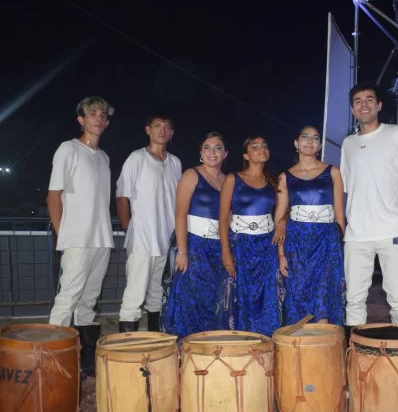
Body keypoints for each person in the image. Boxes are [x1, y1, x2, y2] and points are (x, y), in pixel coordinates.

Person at [340, 82, 398, 339]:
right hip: (357, 234)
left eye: (369, 99)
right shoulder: (348, 144)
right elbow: (347, 186)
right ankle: (355, 353)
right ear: (352, 109)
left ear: (379, 105)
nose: (364, 105)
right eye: (358, 101)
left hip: (393, 230)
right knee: (354, 298)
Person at [47, 96, 115, 379]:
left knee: (89, 302)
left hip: (102, 237)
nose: (98, 118)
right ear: (81, 119)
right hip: (77, 238)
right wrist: (63, 235)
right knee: (68, 298)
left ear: (107, 122)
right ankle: (51, 359)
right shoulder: (68, 149)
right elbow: (54, 196)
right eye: (92, 114)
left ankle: (85, 361)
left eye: (103, 115)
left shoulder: (104, 157)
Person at [274, 126, 346, 326]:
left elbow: (340, 215)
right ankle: (299, 343)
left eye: (315, 138)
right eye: (304, 137)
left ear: (320, 145)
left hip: (326, 242)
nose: (309, 141)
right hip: (297, 243)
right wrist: (281, 254)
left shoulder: (333, 172)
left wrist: (339, 249)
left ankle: (323, 342)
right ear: (296, 143)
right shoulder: (285, 177)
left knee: (324, 295)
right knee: (297, 294)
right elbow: (279, 218)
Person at [115, 115, 181, 333]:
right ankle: (126, 347)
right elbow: (122, 195)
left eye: (167, 127)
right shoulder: (137, 158)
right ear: (148, 130)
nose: (162, 130)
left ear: (172, 133)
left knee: (157, 295)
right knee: (134, 296)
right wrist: (128, 228)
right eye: (157, 126)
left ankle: (155, 342)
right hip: (142, 238)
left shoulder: (175, 162)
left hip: (166, 239)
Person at [160, 133, 229, 338]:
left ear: (225, 153)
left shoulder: (228, 180)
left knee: (212, 298)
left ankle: (206, 347)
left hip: (218, 248)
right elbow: (180, 214)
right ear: (201, 152)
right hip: (194, 244)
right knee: (189, 298)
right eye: (207, 147)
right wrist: (182, 251)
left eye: (218, 147)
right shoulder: (192, 175)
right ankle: (184, 347)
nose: (212, 152)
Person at [219, 136, 283, 334]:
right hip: (240, 243)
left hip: (267, 245)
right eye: (255, 146)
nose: (261, 148)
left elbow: (287, 207)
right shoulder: (233, 179)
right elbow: (223, 217)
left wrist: (282, 222)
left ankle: (266, 341)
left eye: (265, 145)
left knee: (267, 294)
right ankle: (240, 342)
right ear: (246, 155)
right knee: (240, 294)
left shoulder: (273, 181)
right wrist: (225, 251)